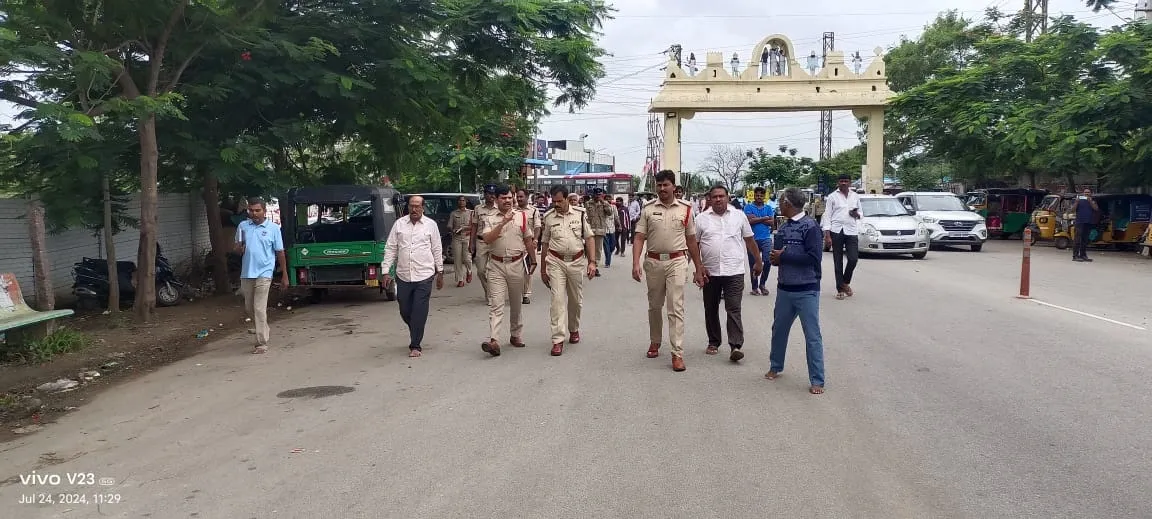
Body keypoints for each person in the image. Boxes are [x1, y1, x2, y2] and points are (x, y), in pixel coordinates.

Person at [632, 170, 706, 372]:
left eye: (666, 185)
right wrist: (635, 263)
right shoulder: (648, 209)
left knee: (675, 307)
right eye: (659, 185)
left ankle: (677, 352)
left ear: (674, 186)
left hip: (677, 262)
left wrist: (698, 267)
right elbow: (639, 237)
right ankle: (655, 341)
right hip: (654, 262)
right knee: (655, 306)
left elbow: (691, 240)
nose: (662, 188)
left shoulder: (686, 209)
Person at [765, 187, 826, 395]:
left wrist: (784, 257)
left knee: (812, 336)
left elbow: (814, 258)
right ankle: (775, 365)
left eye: (781, 202)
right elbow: (777, 256)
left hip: (807, 289)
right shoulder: (783, 228)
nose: (779, 205)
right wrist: (775, 258)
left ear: (787, 203)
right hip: (784, 288)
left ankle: (817, 380)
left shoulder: (811, 227)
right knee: (779, 330)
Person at [695, 185, 762, 362]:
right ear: (710, 199)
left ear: (728, 197)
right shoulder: (701, 219)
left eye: (721, 196)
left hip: (734, 271)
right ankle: (714, 341)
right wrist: (698, 268)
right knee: (711, 308)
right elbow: (695, 244)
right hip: (710, 271)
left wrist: (758, 261)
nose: (718, 199)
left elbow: (749, 240)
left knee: (733, 308)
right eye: (715, 196)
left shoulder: (739, 216)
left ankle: (735, 345)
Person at [381, 196, 444, 357]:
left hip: (424, 275)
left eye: (417, 206)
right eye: (411, 206)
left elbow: (437, 248)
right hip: (403, 275)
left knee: (419, 311)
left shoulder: (431, 225)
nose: (414, 209)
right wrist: (386, 271)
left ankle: (415, 345)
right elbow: (391, 248)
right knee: (405, 310)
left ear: (423, 207)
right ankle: (416, 327)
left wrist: (440, 271)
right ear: (408, 207)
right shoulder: (399, 224)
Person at [479, 185, 537, 356]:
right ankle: (494, 340)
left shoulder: (522, 216)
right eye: (503, 198)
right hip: (496, 265)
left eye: (510, 197)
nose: (507, 200)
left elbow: (528, 239)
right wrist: (503, 222)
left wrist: (533, 260)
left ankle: (515, 334)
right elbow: (487, 239)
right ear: (496, 199)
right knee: (496, 304)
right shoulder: (489, 218)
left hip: (516, 264)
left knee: (516, 303)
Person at [539, 185, 596, 356]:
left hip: (576, 262)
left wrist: (592, 262)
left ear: (566, 199)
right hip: (556, 261)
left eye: (559, 201)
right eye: (554, 201)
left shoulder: (580, 214)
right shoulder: (548, 217)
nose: (556, 204)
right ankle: (557, 339)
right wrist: (543, 269)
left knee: (576, 300)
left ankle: (574, 328)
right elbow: (545, 243)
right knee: (557, 300)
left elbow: (589, 238)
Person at [233, 197, 288, 355]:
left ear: (264, 211)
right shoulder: (243, 226)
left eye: (258, 210)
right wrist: (238, 248)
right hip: (247, 273)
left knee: (259, 307)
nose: (254, 213)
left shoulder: (273, 228)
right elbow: (237, 248)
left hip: (264, 272)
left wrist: (284, 275)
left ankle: (261, 343)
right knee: (249, 307)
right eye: (251, 210)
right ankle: (263, 327)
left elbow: (280, 252)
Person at [822, 174, 861, 300]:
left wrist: (855, 214)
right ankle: (840, 289)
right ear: (838, 182)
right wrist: (827, 235)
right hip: (836, 230)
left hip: (851, 230)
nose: (844, 183)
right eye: (841, 181)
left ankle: (845, 283)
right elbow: (827, 216)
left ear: (850, 183)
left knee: (853, 259)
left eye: (846, 181)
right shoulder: (832, 197)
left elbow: (861, 213)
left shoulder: (855, 196)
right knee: (838, 261)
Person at [744, 187, 775, 295]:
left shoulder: (768, 208)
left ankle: (762, 284)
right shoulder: (748, 207)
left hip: (766, 238)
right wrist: (764, 218)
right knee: (753, 263)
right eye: (757, 195)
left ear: (764, 196)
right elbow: (748, 221)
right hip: (752, 239)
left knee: (768, 260)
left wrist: (756, 218)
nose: (759, 197)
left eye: (761, 195)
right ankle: (754, 287)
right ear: (754, 195)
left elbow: (772, 222)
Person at [470, 185, 500, 298]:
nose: (492, 196)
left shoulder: (499, 208)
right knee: (481, 271)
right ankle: (489, 291)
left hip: (495, 242)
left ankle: (493, 295)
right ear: (485, 194)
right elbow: (474, 226)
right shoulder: (478, 208)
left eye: (493, 193)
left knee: (495, 271)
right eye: (489, 193)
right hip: (481, 242)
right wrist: (471, 243)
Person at [517, 188, 542, 303]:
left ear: (527, 197)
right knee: (516, 269)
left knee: (527, 268)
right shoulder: (512, 210)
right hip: (516, 242)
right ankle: (516, 291)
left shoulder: (533, 211)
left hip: (529, 243)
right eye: (517, 197)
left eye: (521, 197)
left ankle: (526, 294)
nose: (519, 199)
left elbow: (537, 226)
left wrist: (535, 240)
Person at [583, 188, 614, 276]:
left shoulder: (605, 203)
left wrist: (604, 202)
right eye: (596, 195)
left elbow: (610, 213)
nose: (598, 196)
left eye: (599, 195)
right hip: (589, 230)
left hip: (600, 230)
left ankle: (595, 267)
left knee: (598, 250)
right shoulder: (588, 204)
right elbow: (584, 216)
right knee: (589, 249)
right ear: (593, 195)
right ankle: (590, 265)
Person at [448, 195, 474, 287]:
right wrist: (453, 229)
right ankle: (460, 279)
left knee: (467, 258)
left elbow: (474, 226)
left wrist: (464, 228)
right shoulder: (453, 213)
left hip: (467, 237)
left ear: (466, 202)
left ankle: (469, 271)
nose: (461, 202)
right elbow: (449, 225)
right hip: (457, 238)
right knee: (457, 259)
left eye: (463, 200)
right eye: (459, 200)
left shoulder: (471, 213)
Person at [1071, 188, 1099, 262]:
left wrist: (1090, 202)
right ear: (1083, 193)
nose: (1087, 194)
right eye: (1085, 192)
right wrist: (1076, 202)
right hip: (1079, 222)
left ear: (1090, 193)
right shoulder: (1079, 200)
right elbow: (1072, 210)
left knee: (1085, 239)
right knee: (1077, 239)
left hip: (1088, 222)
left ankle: (1083, 255)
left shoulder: (1093, 200)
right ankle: (1075, 256)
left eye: (1088, 192)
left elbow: (1096, 209)